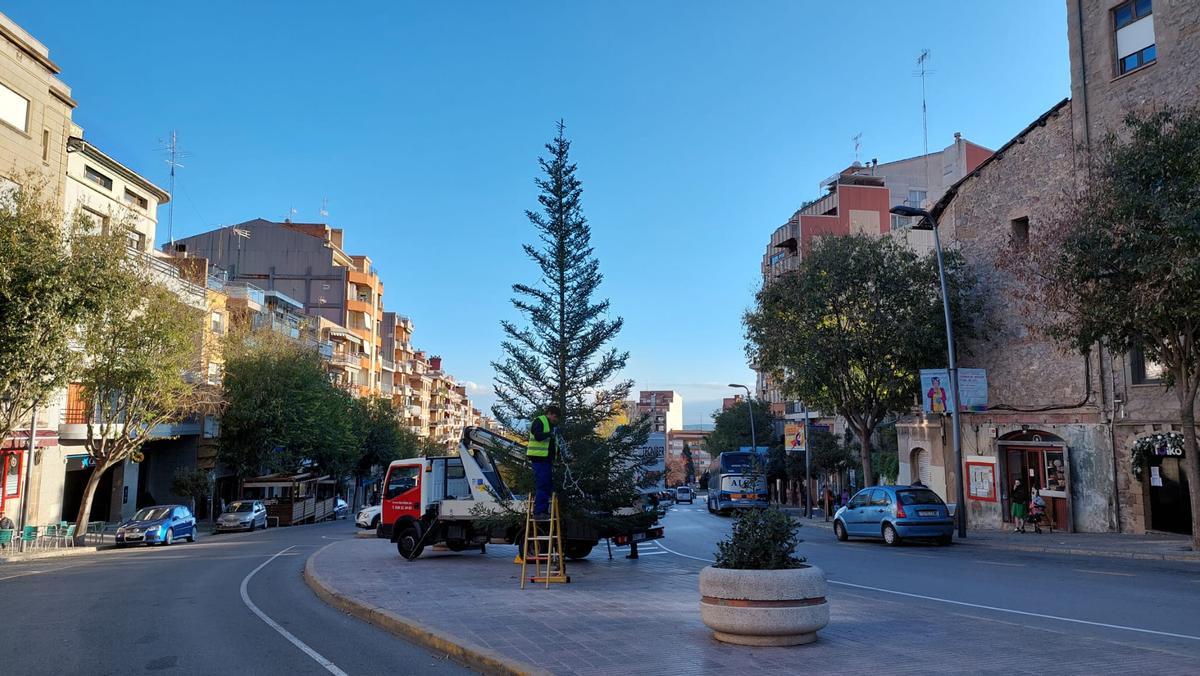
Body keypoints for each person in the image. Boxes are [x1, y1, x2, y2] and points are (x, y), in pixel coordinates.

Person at [527, 405, 561, 520]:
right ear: (550, 413)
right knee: (543, 484)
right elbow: (537, 436)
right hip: (539, 459)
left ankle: (543, 510)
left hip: (546, 460)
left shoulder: (552, 426)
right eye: (555, 417)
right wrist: (549, 434)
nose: (555, 419)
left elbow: (553, 445)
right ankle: (539, 512)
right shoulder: (540, 421)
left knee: (546, 485)